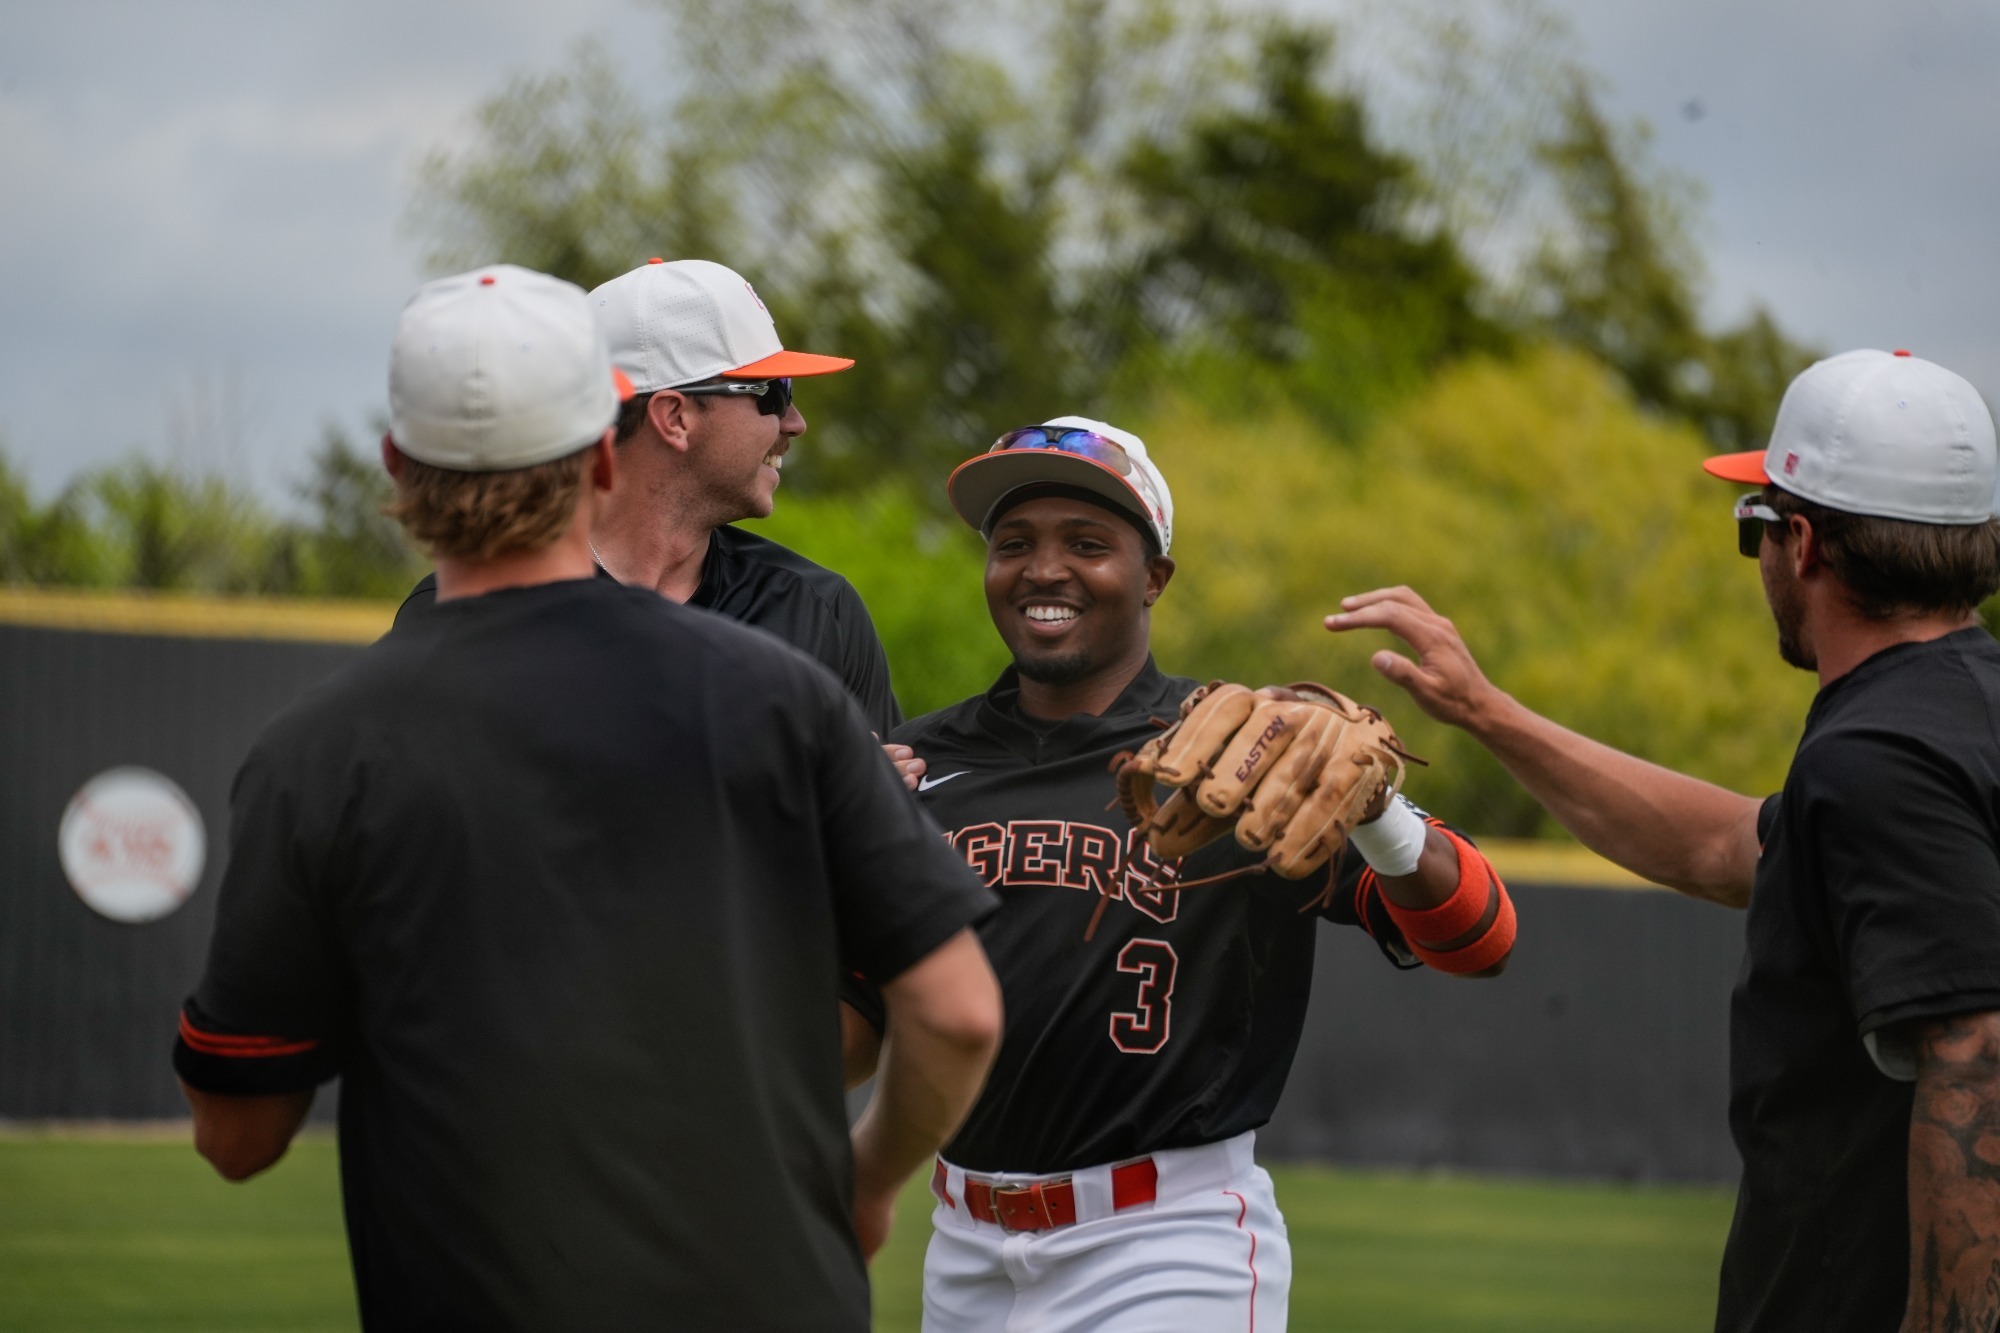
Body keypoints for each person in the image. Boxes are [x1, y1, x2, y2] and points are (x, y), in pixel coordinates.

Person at [171, 264, 1003, 1331]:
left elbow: (238, 1136)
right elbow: (960, 1010)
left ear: (393, 463)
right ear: (607, 447)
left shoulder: (321, 749)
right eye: (768, 395)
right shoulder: (776, 699)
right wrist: (868, 1177)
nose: (793, 421)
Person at [1328, 350, 2000, 1332]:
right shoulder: (1949, 722)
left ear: (1801, 542)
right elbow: (1730, 845)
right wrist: (1484, 711)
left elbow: (1976, 1048)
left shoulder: (1876, 758)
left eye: (1754, 525)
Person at [876, 417, 1516, 1331]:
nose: (1044, 568)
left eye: (1089, 544)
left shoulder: (1246, 753)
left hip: (1162, 1243)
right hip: (963, 1247)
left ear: (1155, 578)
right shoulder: (918, 762)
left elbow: (1482, 940)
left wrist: (1378, 811)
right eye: (1013, 543)